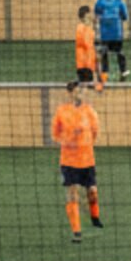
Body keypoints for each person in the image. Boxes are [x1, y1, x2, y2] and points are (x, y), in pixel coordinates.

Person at [52, 77, 102, 239]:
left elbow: (95, 133)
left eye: (82, 90)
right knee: (72, 194)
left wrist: (85, 143)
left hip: (87, 159)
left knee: (92, 192)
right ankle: (76, 230)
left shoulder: (90, 111)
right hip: (69, 160)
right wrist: (70, 139)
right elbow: (55, 135)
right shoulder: (62, 111)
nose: (81, 92)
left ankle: (95, 217)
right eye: (77, 90)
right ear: (71, 92)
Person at [94, 0, 130, 80]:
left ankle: (123, 72)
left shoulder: (118, 1)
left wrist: (116, 20)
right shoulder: (100, 1)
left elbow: (124, 16)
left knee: (119, 52)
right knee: (104, 53)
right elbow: (97, 14)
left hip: (116, 33)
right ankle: (105, 74)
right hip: (105, 33)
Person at [72, 3, 106, 91]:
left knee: (86, 85)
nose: (91, 15)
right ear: (85, 15)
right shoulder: (81, 28)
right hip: (84, 63)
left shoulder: (88, 28)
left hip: (88, 62)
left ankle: (74, 85)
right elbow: (87, 44)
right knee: (86, 86)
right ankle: (73, 85)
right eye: (89, 13)